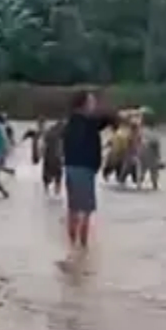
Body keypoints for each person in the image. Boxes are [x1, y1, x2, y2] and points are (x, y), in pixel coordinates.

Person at [61, 90, 116, 262]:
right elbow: (108, 119)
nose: (94, 105)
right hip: (84, 170)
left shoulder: (72, 121)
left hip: (71, 168)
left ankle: (72, 247)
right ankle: (83, 250)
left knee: (73, 209)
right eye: (92, 102)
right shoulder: (87, 122)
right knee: (85, 211)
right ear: (84, 104)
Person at [39, 118, 65, 196]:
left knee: (47, 175)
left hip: (48, 157)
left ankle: (46, 190)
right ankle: (57, 191)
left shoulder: (49, 132)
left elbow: (43, 145)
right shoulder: (61, 134)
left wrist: (41, 154)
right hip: (56, 157)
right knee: (58, 175)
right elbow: (62, 147)